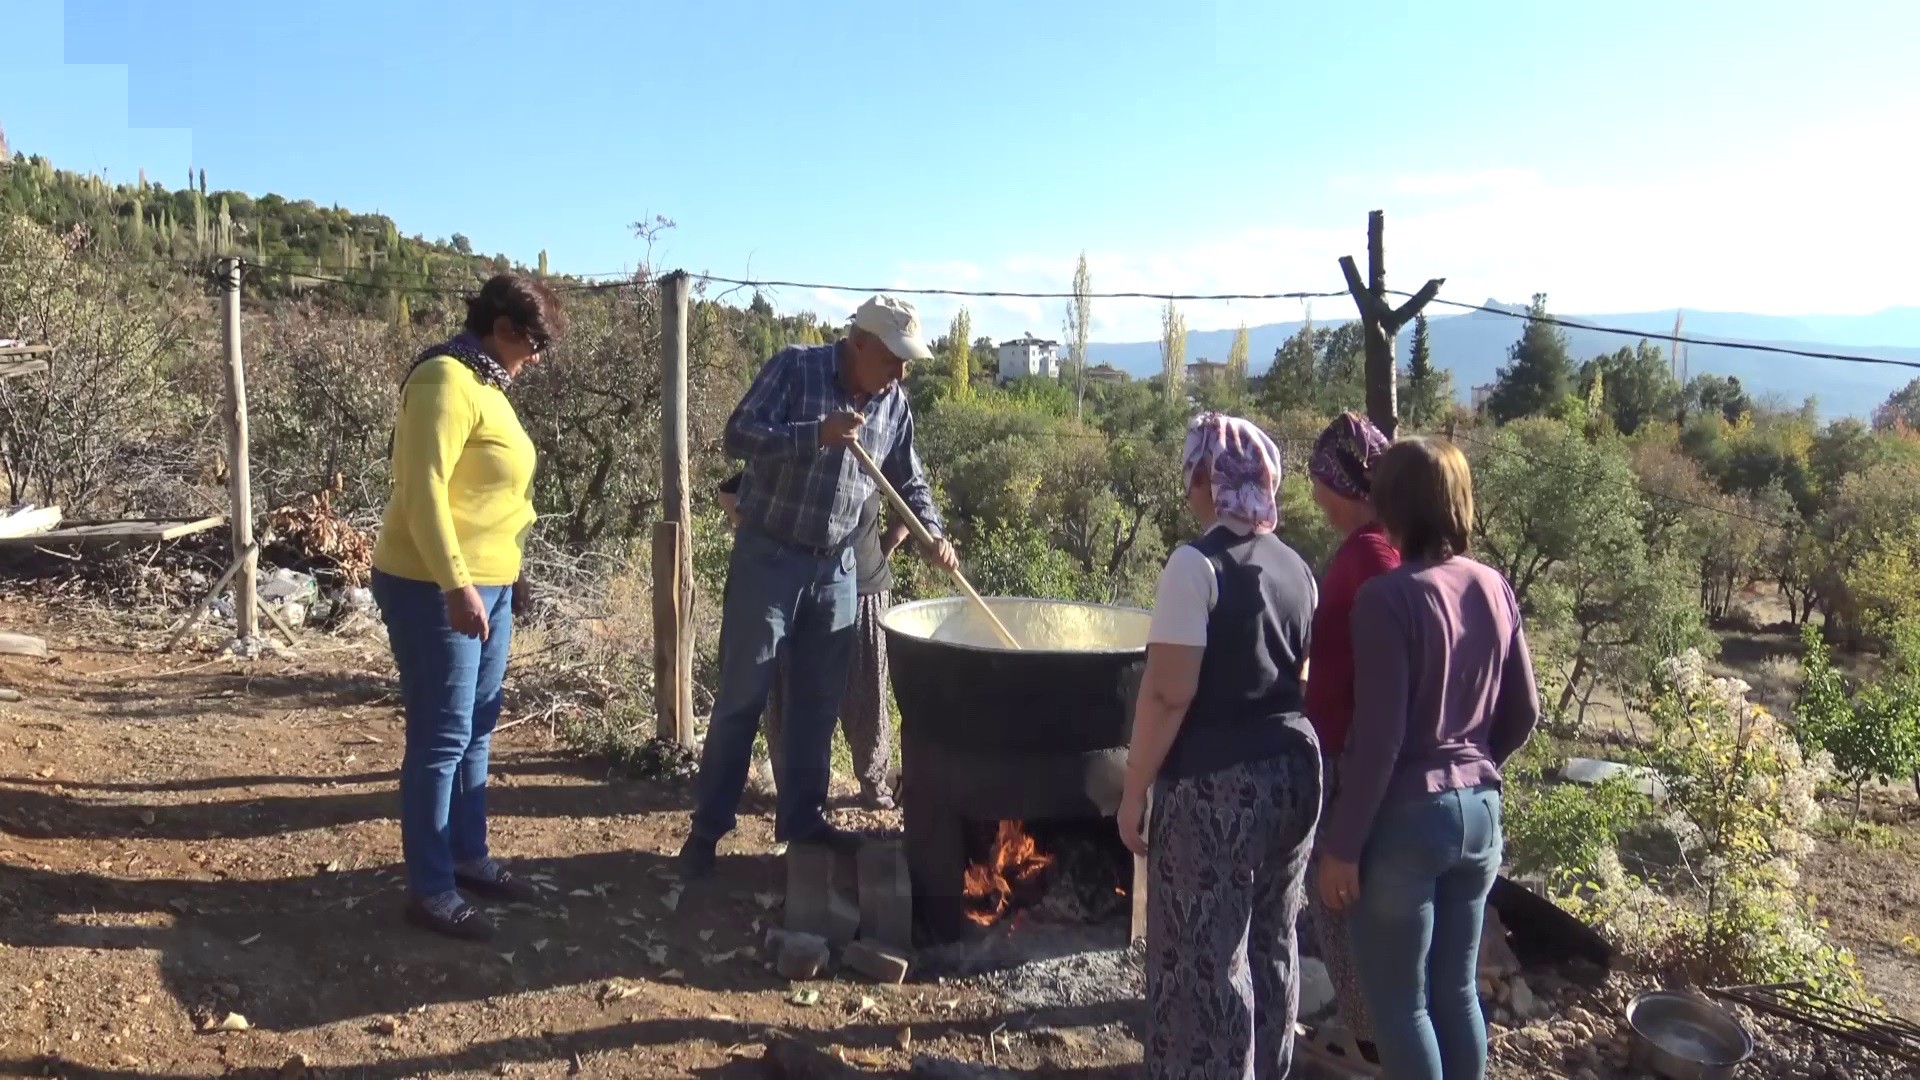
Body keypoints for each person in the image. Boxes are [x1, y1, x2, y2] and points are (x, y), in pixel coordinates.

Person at [680, 296, 957, 880]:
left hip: (837, 571)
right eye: (893, 358)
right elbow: (738, 435)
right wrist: (816, 435)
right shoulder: (795, 367)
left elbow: (910, 477)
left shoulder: (893, 404)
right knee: (743, 697)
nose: (901, 373)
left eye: (906, 362)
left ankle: (802, 823)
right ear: (859, 343)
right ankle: (708, 832)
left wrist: (932, 532)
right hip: (769, 557)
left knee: (817, 705)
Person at [1317, 437, 1541, 1080]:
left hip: (1405, 824)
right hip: (1480, 816)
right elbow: (1524, 711)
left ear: (1391, 503)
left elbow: (1381, 737)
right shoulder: (1494, 585)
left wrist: (1343, 846)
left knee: (1401, 1008)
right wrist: (1471, 769)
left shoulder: (1387, 599)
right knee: (1456, 994)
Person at [1117, 412, 1323, 1080]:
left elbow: (1167, 693)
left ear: (1209, 477)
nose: (1187, 484)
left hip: (1216, 790)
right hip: (1294, 776)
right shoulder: (1298, 569)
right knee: (1271, 942)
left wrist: (1133, 791)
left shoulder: (1194, 565)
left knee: (1201, 961)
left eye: (1191, 470)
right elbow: (1297, 681)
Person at [371, 272, 564, 941]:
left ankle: (467, 854)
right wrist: (457, 585)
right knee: (441, 737)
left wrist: (505, 575)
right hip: (432, 583)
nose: (536, 358)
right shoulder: (444, 381)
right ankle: (429, 887)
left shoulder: (487, 386)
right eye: (533, 343)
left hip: (489, 582)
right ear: (503, 328)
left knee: (476, 728)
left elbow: (489, 495)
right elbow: (421, 489)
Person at [1300, 411, 1399, 1069]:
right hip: (1343, 750)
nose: (1314, 497)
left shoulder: (1369, 556)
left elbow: (1381, 676)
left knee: (1332, 901)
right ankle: (1370, 1031)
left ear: (1346, 482)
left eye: (1320, 482)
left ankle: (1368, 1044)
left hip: (1345, 757)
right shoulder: (1375, 545)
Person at [718, 474, 909, 808]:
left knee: (868, 695)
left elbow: (911, 502)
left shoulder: (874, 451)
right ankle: (796, 793)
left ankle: (874, 784)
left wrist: (885, 546)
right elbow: (729, 493)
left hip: (864, 587)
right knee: (791, 694)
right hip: (797, 591)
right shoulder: (794, 444)